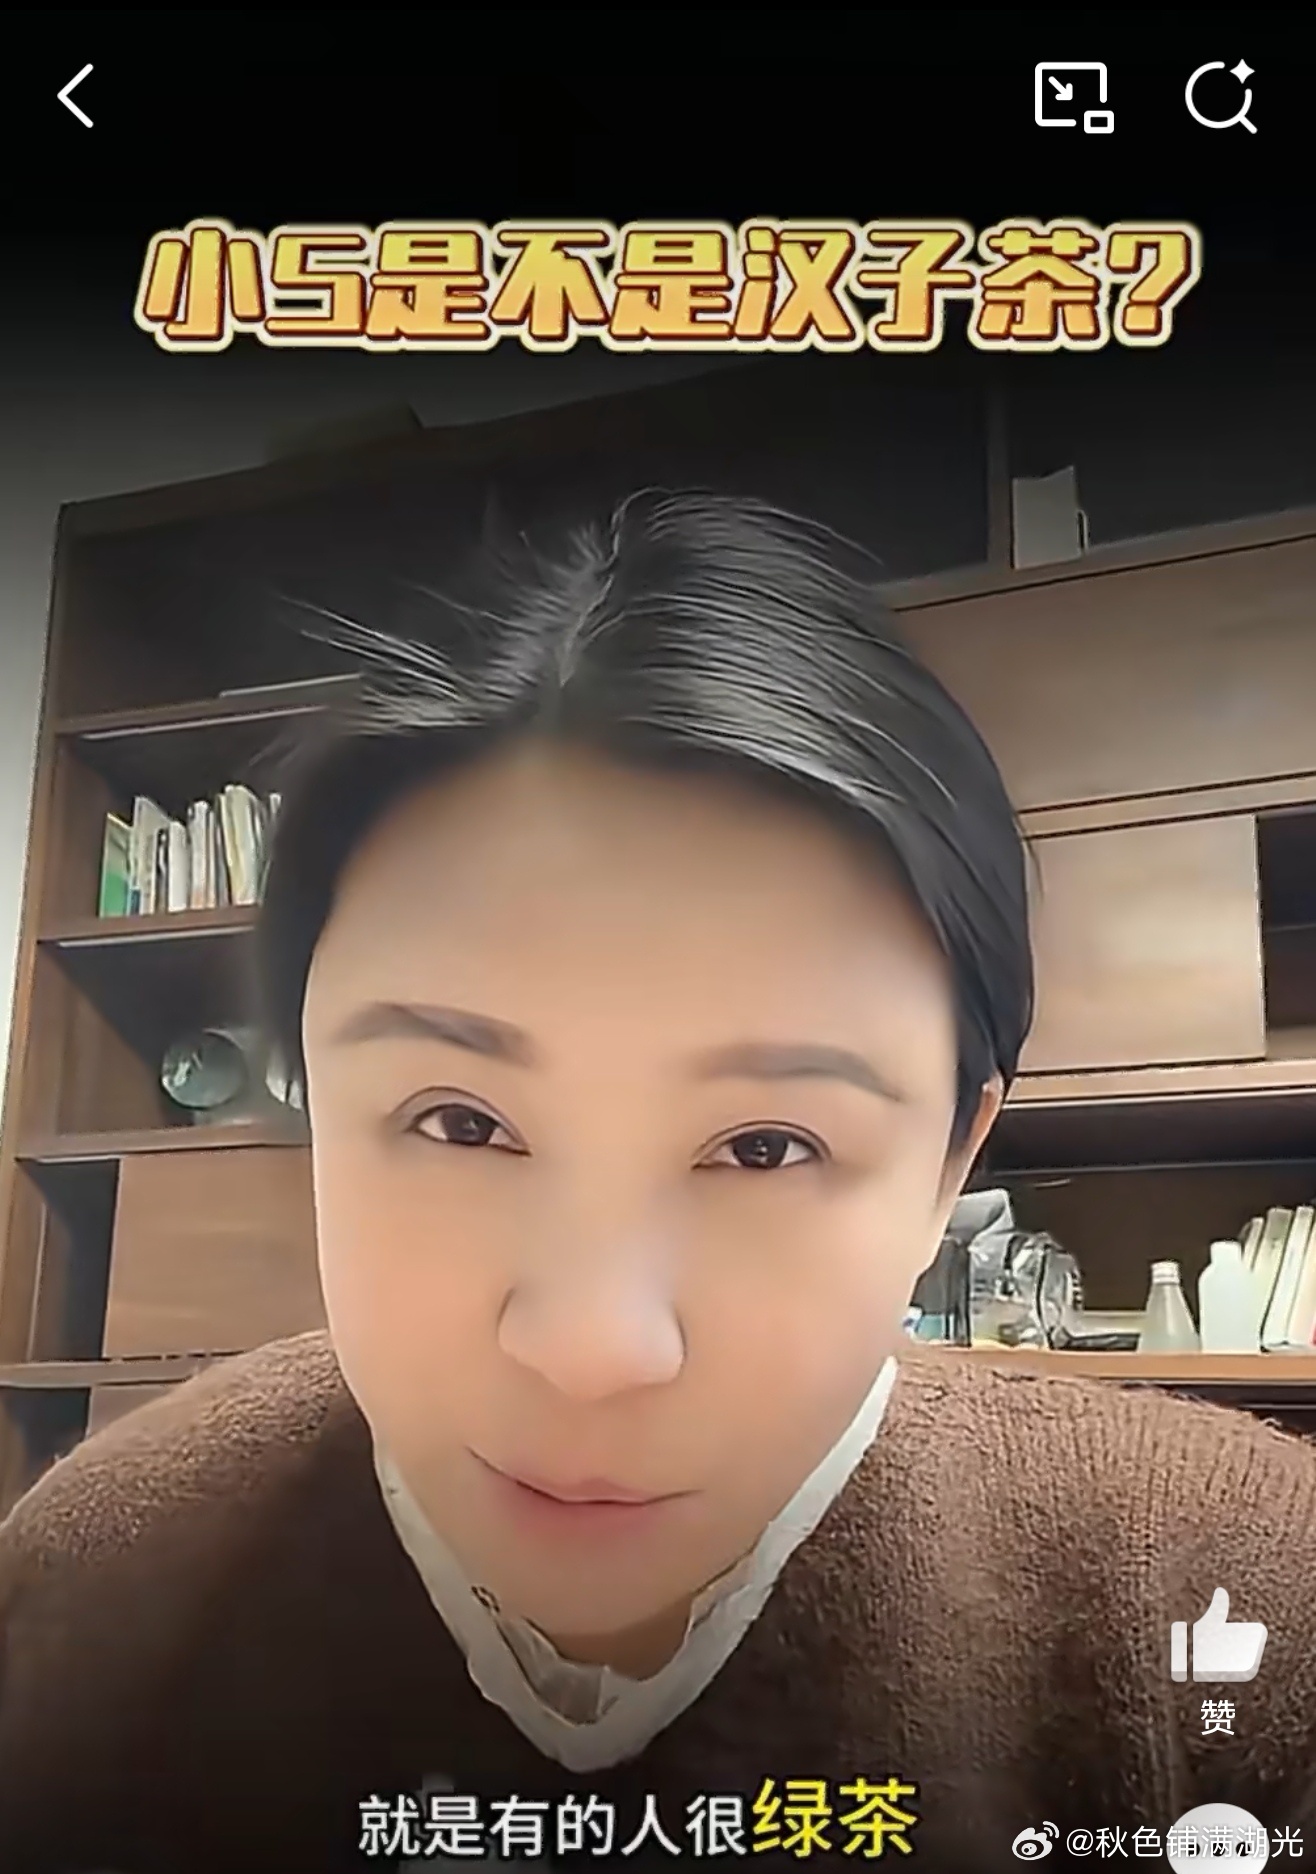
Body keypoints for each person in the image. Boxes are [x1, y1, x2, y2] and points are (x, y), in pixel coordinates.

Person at [2, 491, 1315, 1874]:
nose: (593, 1349)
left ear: (952, 1164)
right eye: (460, 1121)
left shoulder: (1240, 1604)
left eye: (766, 1146)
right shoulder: (87, 1581)